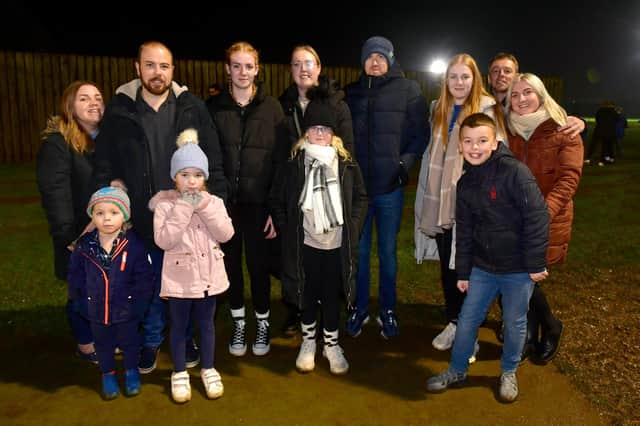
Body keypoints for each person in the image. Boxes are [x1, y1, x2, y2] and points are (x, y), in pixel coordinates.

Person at [93, 40, 227, 374]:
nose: (157, 73)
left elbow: (214, 157)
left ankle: (187, 338)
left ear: (173, 70)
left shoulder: (192, 107)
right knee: (149, 283)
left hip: (187, 216)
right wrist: (113, 188)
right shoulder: (121, 109)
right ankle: (152, 340)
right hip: (141, 213)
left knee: (189, 281)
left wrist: (216, 201)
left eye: (164, 66)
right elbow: (105, 159)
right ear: (137, 68)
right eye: (150, 65)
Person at [426, 113, 550, 403]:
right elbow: (465, 231)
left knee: (515, 321)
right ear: (460, 146)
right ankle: (457, 370)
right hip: (482, 268)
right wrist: (464, 272)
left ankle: (508, 372)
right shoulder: (465, 183)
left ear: (495, 143)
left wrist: (534, 263)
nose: (475, 147)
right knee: (467, 320)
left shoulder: (515, 173)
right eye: (468, 141)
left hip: (517, 269)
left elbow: (537, 217)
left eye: (482, 140)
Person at [415, 53, 504, 358]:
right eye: (453, 76)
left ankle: (469, 331)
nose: (459, 82)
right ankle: (453, 322)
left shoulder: (487, 109)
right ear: (446, 80)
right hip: (441, 202)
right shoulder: (437, 109)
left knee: (470, 270)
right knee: (447, 268)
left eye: (465, 76)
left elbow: (498, 153)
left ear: (474, 78)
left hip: (473, 204)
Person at [269, 102, 367, 375]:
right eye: (314, 128)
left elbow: (361, 196)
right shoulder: (294, 163)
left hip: (336, 243)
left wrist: (353, 227)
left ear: (334, 133)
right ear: (306, 132)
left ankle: (332, 344)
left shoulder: (345, 163)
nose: (320, 133)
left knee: (331, 294)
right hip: (306, 244)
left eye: (325, 129)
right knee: (308, 293)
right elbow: (276, 198)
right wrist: (288, 229)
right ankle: (309, 341)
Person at [206, 41, 287, 357]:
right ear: (227, 69)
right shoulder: (213, 108)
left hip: (259, 204)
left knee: (258, 265)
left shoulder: (272, 109)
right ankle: (239, 322)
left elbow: (281, 161)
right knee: (230, 268)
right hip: (225, 205)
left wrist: (272, 206)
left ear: (257, 69)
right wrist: (217, 200)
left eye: (248, 66)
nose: (242, 72)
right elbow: (209, 158)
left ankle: (262, 322)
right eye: (236, 66)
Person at [344, 35, 428, 339]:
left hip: (390, 189)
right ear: (363, 61)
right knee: (360, 254)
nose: (375, 62)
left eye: (381, 56)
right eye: (370, 57)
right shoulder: (351, 93)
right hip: (359, 191)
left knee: (388, 254)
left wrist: (404, 165)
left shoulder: (409, 90)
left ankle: (388, 309)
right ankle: (360, 308)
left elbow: (421, 134)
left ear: (390, 60)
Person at [149, 129, 234, 403]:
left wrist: (205, 207)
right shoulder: (165, 206)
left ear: (205, 178)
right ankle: (179, 373)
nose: (192, 182)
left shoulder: (215, 203)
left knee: (207, 325)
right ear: (175, 178)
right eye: (184, 175)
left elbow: (226, 234)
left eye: (198, 175)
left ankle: (208, 369)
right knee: (178, 325)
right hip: (179, 281)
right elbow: (164, 240)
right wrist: (184, 208)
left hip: (209, 279)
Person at [278, 44, 355, 335]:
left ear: (319, 68)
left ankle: (331, 320)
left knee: (330, 262)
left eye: (309, 63)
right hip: (299, 193)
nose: (303, 69)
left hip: (332, 195)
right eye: (297, 64)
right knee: (300, 261)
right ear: (291, 70)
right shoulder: (284, 105)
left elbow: (349, 154)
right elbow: (279, 156)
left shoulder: (337, 103)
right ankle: (298, 313)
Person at [507, 73, 583, 363]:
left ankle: (549, 326)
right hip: (513, 219)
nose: (521, 99)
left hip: (548, 217)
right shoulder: (507, 131)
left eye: (528, 92)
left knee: (526, 275)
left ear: (540, 95)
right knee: (519, 276)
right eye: (515, 95)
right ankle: (537, 328)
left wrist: (541, 215)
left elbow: (568, 180)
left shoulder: (563, 130)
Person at [36, 80, 105, 364]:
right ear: (70, 106)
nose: (93, 103)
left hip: (107, 229)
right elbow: (55, 191)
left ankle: (101, 338)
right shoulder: (58, 143)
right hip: (77, 231)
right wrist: (68, 237)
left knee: (102, 290)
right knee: (81, 292)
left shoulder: (106, 140)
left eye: (98, 98)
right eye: (84, 99)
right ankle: (86, 344)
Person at [67, 186, 154, 400]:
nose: (106, 219)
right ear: (92, 216)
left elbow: (144, 278)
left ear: (124, 215)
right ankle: (108, 374)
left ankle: (131, 371)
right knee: (103, 345)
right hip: (96, 310)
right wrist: (80, 302)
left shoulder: (133, 245)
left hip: (127, 310)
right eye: (100, 213)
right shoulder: (84, 247)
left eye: (113, 213)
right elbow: (75, 276)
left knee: (130, 343)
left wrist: (139, 304)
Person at [487, 52, 585, 138]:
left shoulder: (526, 105)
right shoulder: (482, 105)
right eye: (496, 71)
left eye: (507, 71)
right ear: (489, 78)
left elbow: (555, 118)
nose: (501, 75)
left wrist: (581, 123)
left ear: (516, 76)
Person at [586, 100, 619, 166]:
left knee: (594, 145)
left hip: (599, 130)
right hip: (609, 132)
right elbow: (616, 120)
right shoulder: (613, 112)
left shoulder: (600, 111)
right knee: (606, 146)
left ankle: (588, 158)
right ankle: (604, 160)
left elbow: (597, 119)